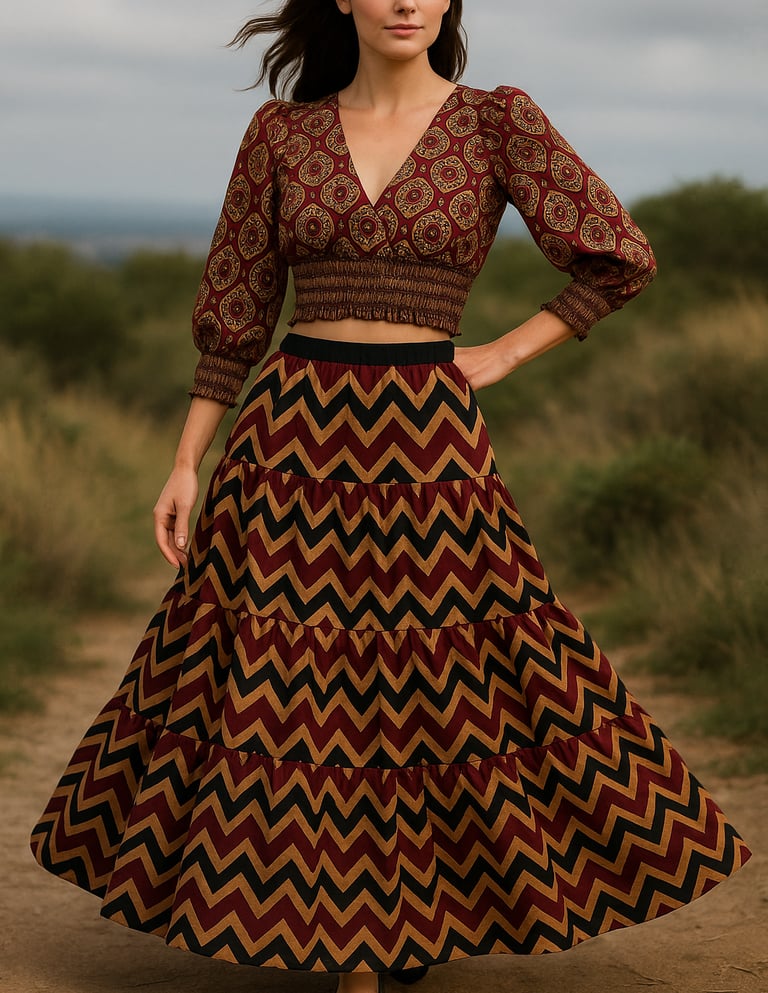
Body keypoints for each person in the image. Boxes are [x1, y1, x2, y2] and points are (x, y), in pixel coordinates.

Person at [31, 2, 750, 992]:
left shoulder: (500, 122)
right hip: (290, 435)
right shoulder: (280, 133)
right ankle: (344, 938)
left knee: (446, 670)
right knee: (291, 681)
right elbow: (236, 311)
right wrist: (186, 460)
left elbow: (619, 253)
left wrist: (504, 349)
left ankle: (411, 908)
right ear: (343, 1)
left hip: (427, 435)